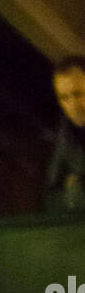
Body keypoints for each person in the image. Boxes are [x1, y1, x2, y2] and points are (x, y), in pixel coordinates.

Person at [44, 55, 85, 213]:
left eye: (78, 94)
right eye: (64, 98)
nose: (73, 106)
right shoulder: (66, 135)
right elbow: (52, 197)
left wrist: (75, 188)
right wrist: (73, 194)